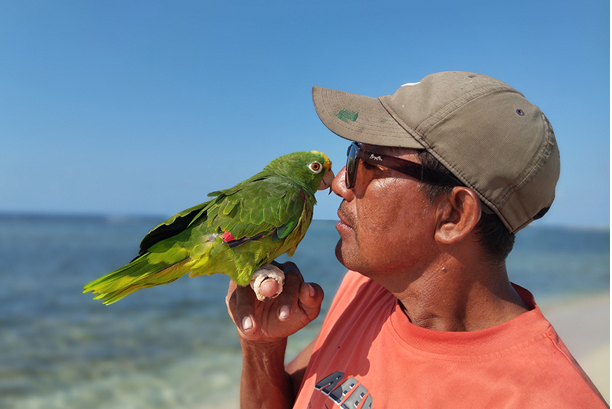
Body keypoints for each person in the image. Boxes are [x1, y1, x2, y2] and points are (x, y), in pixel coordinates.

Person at [226, 71, 608, 408]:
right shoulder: (364, 290)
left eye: (368, 162)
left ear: (454, 215)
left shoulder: (541, 400)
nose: (341, 182)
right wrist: (262, 345)